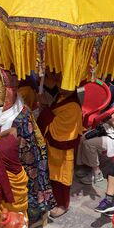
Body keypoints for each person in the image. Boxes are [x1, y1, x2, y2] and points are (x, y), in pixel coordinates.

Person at [0, 65, 56, 227]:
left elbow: (26, 151)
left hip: (22, 167)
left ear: (9, 93)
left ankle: (35, 218)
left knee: (27, 192)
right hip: (2, 165)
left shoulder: (21, 117)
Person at [37, 74, 83, 218]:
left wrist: (45, 109)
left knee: (61, 178)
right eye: (60, 84)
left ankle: (63, 204)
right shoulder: (62, 96)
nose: (61, 88)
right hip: (52, 147)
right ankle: (52, 200)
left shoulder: (73, 106)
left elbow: (58, 127)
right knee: (51, 175)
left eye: (65, 86)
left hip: (63, 148)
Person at [77, 89, 114, 185]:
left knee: (89, 144)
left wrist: (111, 120)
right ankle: (86, 165)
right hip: (113, 128)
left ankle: (97, 173)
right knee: (84, 137)